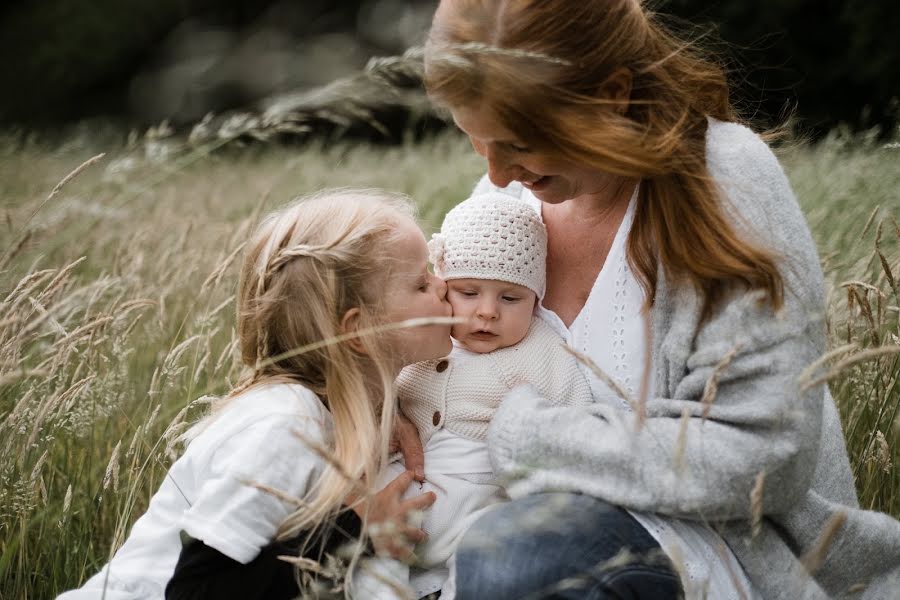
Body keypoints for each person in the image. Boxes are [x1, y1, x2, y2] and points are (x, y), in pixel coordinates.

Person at [397, 0, 900, 598]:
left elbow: (762, 460)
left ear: (610, 95)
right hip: (483, 525)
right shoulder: (504, 210)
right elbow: (429, 348)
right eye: (477, 141)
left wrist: (525, 437)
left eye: (520, 143)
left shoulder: (722, 181)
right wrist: (389, 418)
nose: (499, 173)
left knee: (519, 556)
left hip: (719, 551)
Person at [56, 189, 452, 600]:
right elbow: (198, 589)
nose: (444, 286)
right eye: (421, 282)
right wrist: (354, 527)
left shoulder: (341, 413)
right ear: (358, 331)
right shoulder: (283, 426)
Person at [354, 192, 596, 599]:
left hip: (479, 500)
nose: (487, 312)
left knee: (483, 563)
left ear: (536, 300)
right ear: (441, 286)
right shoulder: (425, 341)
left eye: (510, 297)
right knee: (371, 551)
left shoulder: (541, 351)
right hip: (402, 490)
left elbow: (576, 420)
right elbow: (377, 388)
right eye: (469, 292)